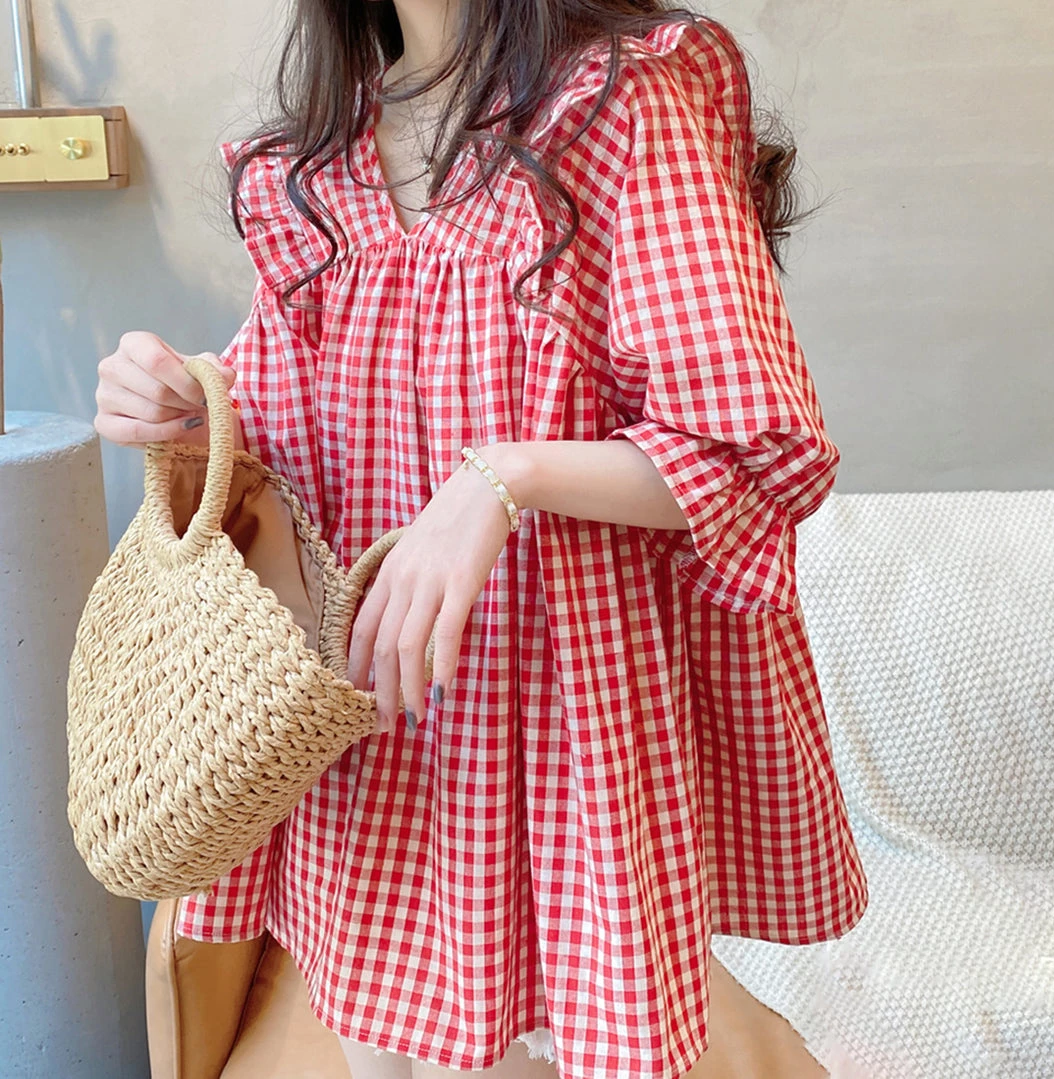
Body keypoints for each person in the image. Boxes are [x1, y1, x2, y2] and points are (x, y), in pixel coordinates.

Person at [93, 1, 869, 1075]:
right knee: (376, 1047)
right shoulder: (316, 162)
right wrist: (184, 401)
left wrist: (503, 479)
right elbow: (294, 455)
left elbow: (750, 446)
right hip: (366, 741)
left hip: (560, 738)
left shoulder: (619, 103)